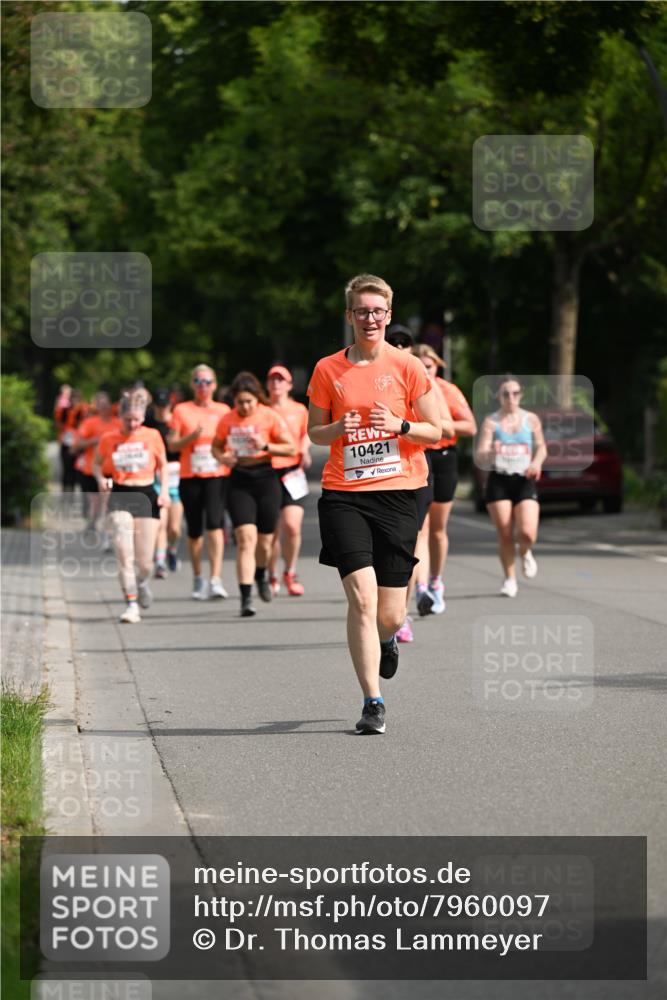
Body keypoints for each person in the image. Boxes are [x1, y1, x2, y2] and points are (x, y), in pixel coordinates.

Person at [307, 273, 441, 734]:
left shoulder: (408, 366)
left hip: (399, 493)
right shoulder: (328, 369)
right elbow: (314, 432)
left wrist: (400, 425)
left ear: (388, 315)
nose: (370, 318)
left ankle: (388, 639)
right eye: (361, 311)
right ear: (349, 316)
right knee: (361, 599)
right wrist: (338, 429)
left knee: (390, 612)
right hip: (344, 493)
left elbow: (436, 430)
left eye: (377, 311)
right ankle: (372, 702)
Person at [211, 372, 295, 617]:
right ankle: (246, 597)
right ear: (234, 402)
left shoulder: (269, 416)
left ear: (257, 399)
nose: (245, 407)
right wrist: (222, 457)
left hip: (266, 477)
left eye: (249, 401)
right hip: (239, 478)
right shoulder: (227, 419)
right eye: (240, 403)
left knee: (265, 541)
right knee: (245, 537)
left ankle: (260, 573)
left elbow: (290, 447)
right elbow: (216, 445)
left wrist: (266, 446)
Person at [93, 390, 169, 624]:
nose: (133, 424)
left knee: (145, 562)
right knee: (124, 554)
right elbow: (96, 464)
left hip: (146, 495)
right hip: (121, 494)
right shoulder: (109, 439)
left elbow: (163, 465)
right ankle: (131, 604)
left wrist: (164, 491)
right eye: (128, 420)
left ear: (143, 417)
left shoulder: (153, 436)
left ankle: (142, 581)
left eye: (137, 419)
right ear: (121, 417)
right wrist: (101, 480)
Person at [413, 345, 476, 616]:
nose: (425, 370)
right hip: (419, 456)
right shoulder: (408, 388)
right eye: (420, 365)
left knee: (437, 528)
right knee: (421, 528)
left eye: (430, 366)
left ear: (437, 366)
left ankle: (436, 581)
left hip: (445, 457)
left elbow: (469, 426)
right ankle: (421, 586)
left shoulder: (446, 390)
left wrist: (436, 422)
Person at [476, 375, 546, 597]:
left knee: (527, 532)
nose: (510, 398)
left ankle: (525, 552)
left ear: (521, 395)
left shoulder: (531, 419)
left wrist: (536, 463)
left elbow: (542, 447)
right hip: (499, 480)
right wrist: (491, 451)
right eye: (506, 393)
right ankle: (510, 579)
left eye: (515, 393)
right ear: (498, 396)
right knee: (505, 533)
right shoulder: (491, 422)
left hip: (524, 478)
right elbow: (480, 454)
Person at [168, 365, 230, 600]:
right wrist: (191, 437)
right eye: (198, 381)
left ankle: (215, 579)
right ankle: (198, 578)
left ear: (214, 385)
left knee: (215, 525)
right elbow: (172, 445)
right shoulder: (181, 410)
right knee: (194, 531)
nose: (202, 386)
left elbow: (231, 439)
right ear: (192, 384)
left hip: (216, 474)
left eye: (207, 381)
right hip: (190, 476)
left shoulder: (223, 410)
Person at [266, 364, 311, 596]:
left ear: (289, 385)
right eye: (272, 379)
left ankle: (290, 572)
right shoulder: (262, 410)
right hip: (268, 472)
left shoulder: (299, 410)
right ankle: (272, 574)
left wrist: (304, 450)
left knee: (292, 526)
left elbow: (307, 433)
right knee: (272, 530)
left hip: (293, 471)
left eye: (281, 380)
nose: (276, 384)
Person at [145, 387, 184, 577]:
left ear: (171, 404)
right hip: (156, 477)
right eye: (159, 406)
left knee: (174, 528)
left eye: (165, 405)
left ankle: (172, 549)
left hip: (176, 476)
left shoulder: (176, 423)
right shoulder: (149, 423)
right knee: (161, 522)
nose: (162, 409)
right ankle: (160, 562)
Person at [72, 392, 121, 532]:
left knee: (107, 501)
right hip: (91, 470)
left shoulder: (118, 423)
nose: (105, 408)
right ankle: (92, 523)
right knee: (95, 502)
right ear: (97, 407)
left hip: (111, 471)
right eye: (102, 405)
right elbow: (76, 445)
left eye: (107, 404)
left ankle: (105, 528)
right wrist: (94, 441)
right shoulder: (89, 423)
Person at [55, 387, 87, 492]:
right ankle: (66, 491)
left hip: (78, 443)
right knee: (66, 469)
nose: (74, 401)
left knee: (76, 469)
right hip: (66, 442)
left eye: (77, 399)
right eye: (73, 398)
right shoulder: (63, 410)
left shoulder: (83, 410)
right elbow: (58, 423)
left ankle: (74, 491)